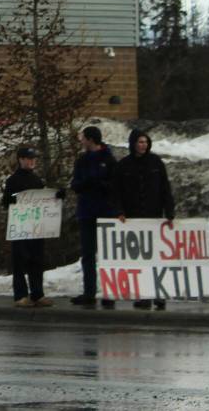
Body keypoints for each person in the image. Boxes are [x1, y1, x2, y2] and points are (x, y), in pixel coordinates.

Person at [113, 129, 175, 311]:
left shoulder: (156, 163)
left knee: (156, 257)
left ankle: (159, 294)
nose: (143, 145)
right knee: (140, 259)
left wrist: (169, 211)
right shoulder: (123, 165)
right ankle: (144, 295)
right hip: (133, 218)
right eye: (140, 142)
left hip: (153, 216)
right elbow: (116, 192)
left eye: (145, 142)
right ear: (133, 144)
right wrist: (119, 211)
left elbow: (165, 188)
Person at [2, 146, 64, 308]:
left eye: (33, 158)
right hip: (20, 227)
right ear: (21, 159)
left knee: (37, 260)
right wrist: (13, 200)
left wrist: (57, 196)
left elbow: (44, 200)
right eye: (29, 158)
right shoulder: (13, 180)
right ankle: (20, 295)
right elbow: (5, 202)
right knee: (20, 260)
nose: (32, 161)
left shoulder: (36, 180)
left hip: (36, 226)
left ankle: (37, 293)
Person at [69, 126, 117, 308]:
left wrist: (101, 184)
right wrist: (85, 184)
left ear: (90, 139)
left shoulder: (108, 159)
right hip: (86, 211)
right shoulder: (81, 160)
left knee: (108, 254)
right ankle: (89, 292)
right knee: (87, 254)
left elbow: (115, 185)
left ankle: (109, 291)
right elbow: (75, 184)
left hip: (105, 211)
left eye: (83, 138)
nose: (81, 141)